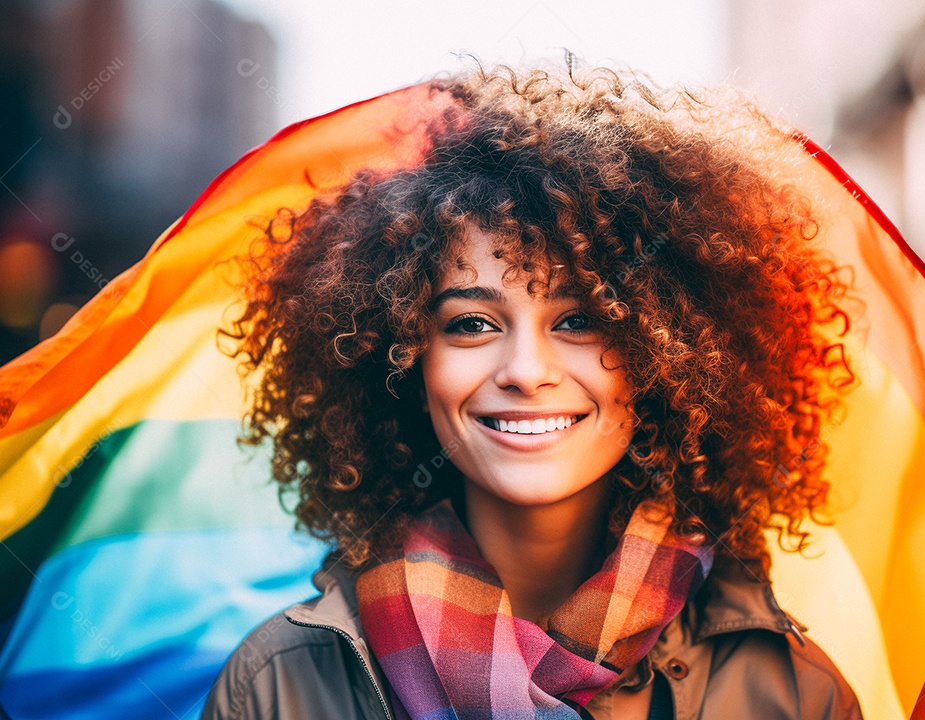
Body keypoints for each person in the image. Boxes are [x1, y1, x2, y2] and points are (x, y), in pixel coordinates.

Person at [200, 54, 863, 720]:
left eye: (579, 319)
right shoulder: (276, 687)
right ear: (402, 358)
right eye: (472, 323)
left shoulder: (793, 697)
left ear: (671, 356)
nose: (525, 369)